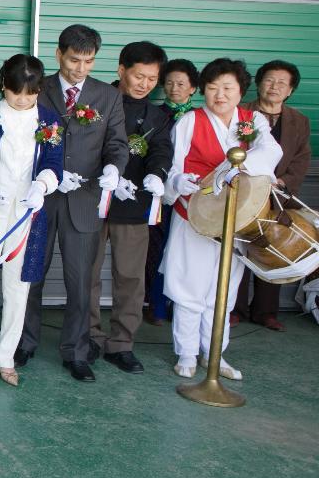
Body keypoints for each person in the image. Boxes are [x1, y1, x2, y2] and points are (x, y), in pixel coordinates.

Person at [18, 24, 128, 382]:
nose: (80, 69)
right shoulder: (38, 88)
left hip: (84, 198)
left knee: (81, 281)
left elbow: (117, 143)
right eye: (73, 60)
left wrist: (113, 168)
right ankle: (22, 342)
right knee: (30, 274)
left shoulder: (107, 96)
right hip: (39, 197)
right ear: (58, 54)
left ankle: (77, 351)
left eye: (88, 62)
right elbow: (20, 139)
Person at [161, 58, 282, 379]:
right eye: (212, 88)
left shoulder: (252, 119)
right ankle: (186, 353)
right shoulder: (190, 120)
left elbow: (270, 153)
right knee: (190, 284)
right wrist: (178, 182)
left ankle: (214, 353)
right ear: (203, 91)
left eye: (228, 88)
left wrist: (231, 172)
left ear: (241, 90)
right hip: (195, 214)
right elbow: (172, 167)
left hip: (237, 217)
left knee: (224, 288)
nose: (220, 95)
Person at [0, 54, 63, 386]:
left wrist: (42, 186)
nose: (23, 99)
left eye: (31, 94)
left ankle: (5, 357)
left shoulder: (49, 119)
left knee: (19, 288)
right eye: (17, 92)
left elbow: (54, 161)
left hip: (26, 213)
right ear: (4, 85)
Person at [87, 42, 174, 374]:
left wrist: (156, 174)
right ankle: (89, 337)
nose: (145, 84)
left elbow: (161, 151)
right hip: (92, 201)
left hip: (134, 203)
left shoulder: (157, 116)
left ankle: (121, 343)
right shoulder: (96, 102)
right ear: (121, 70)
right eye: (139, 75)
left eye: (152, 78)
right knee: (88, 275)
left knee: (131, 278)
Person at [232, 60, 311, 331]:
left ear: (290, 90)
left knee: (274, 247)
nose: (274, 86)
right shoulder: (241, 113)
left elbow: (301, 159)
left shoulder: (299, 121)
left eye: (282, 83)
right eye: (269, 80)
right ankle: (235, 308)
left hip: (278, 194)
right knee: (240, 249)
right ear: (258, 83)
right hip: (245, 193)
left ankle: (265, 311)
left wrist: (284, 182)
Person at [144, 58, 202, 324]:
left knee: (187, 250)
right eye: (168, 83)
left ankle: (181, 305)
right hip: (160, 192)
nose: (174, 88)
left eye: (181, 83)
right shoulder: (155, 114)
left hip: (193, 195)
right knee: (158, 248)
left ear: (193, 88)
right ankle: (155, 304)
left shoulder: (201, 119)